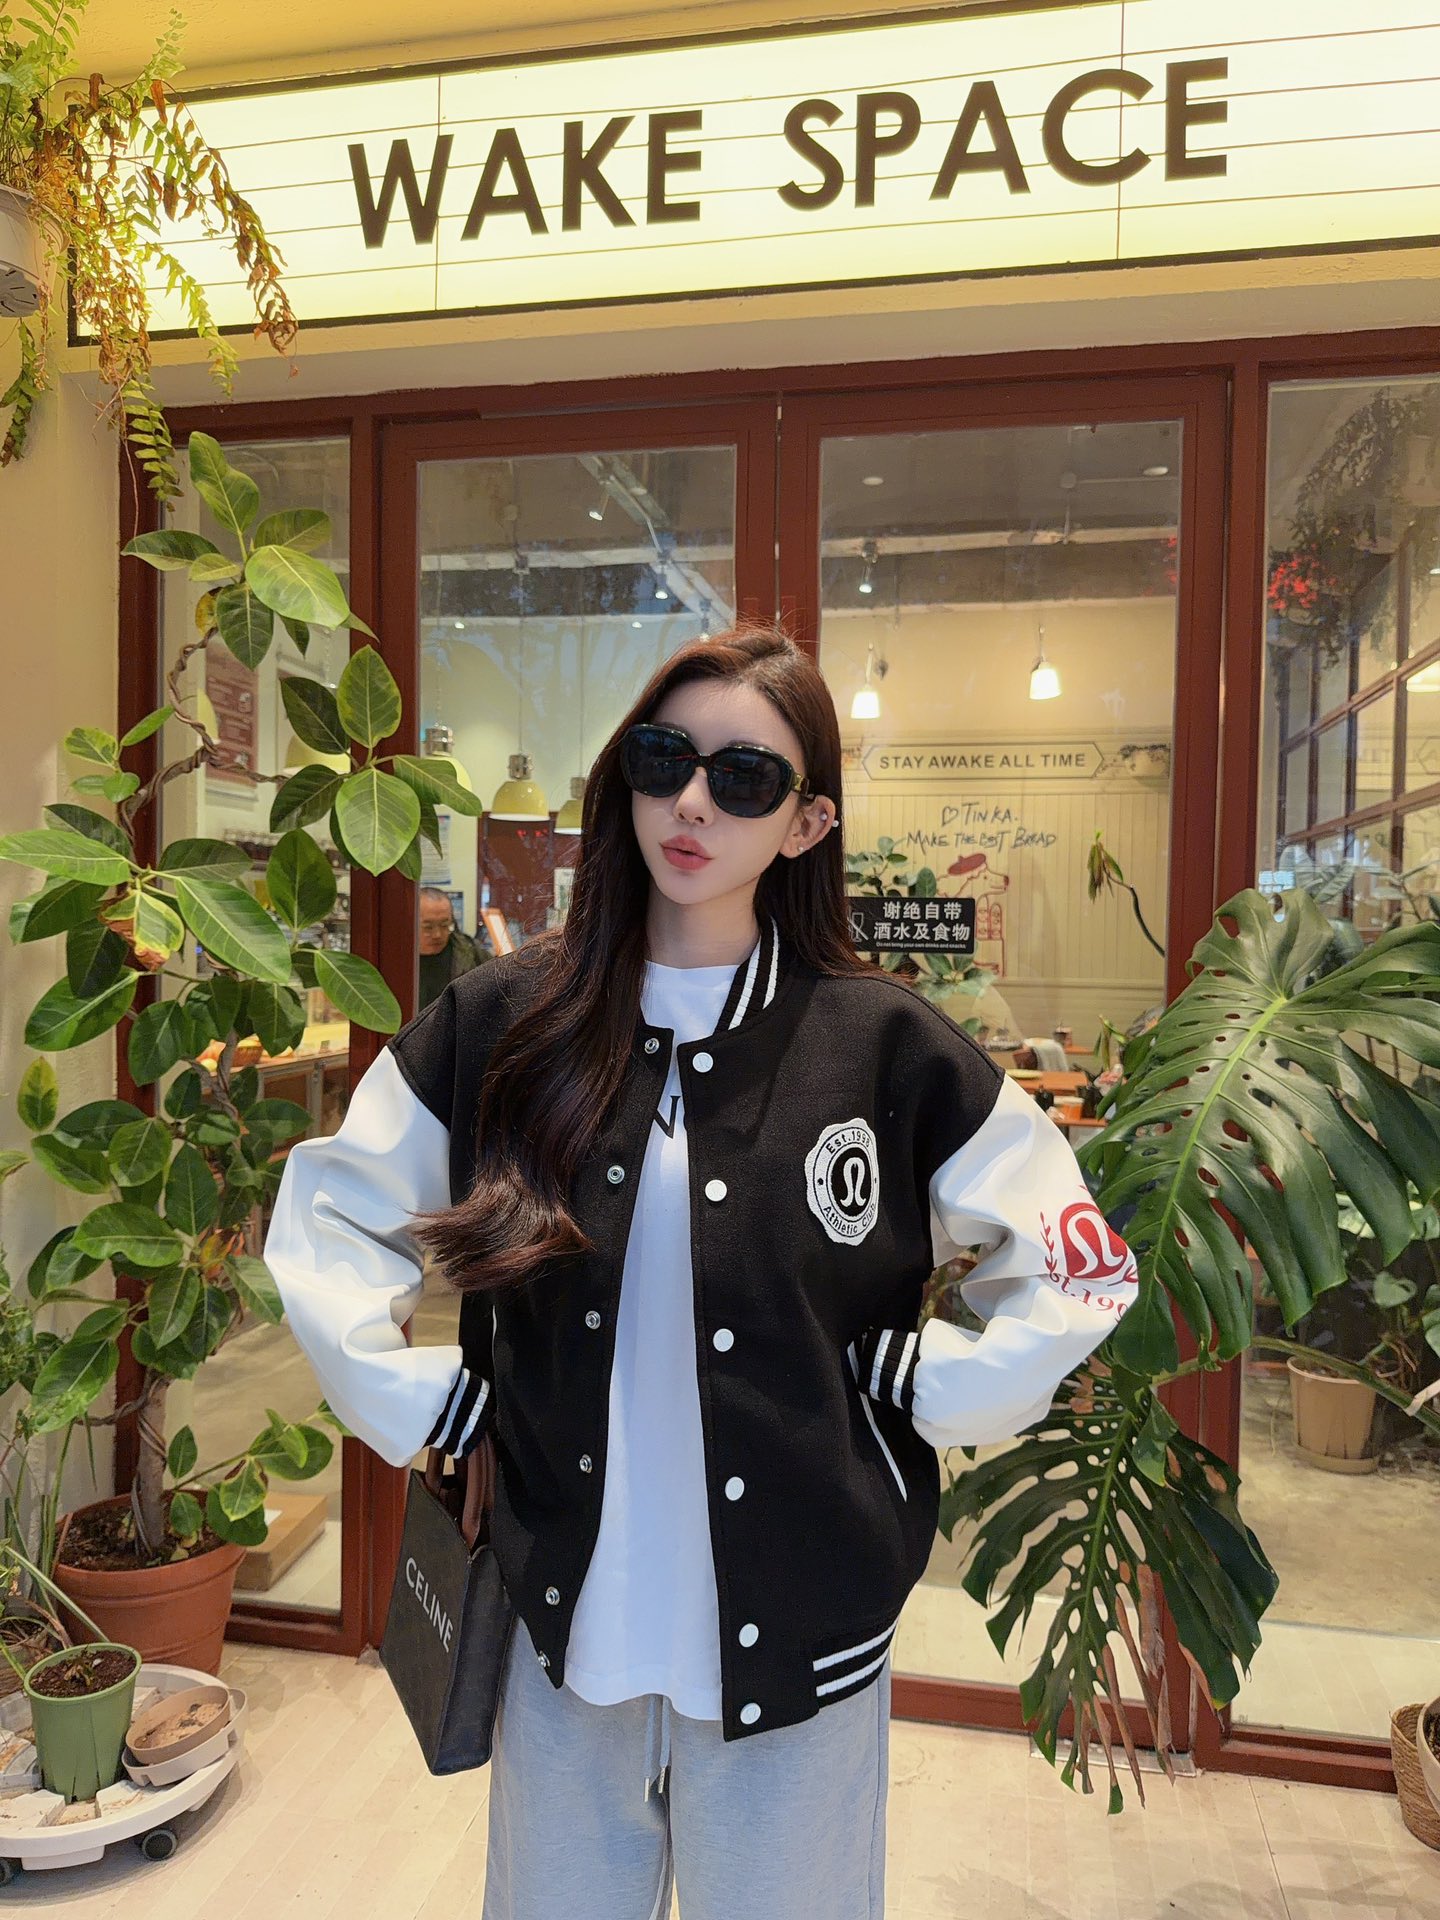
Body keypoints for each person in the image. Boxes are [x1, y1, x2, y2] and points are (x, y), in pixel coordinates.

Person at [261, 624, 1140, 1920]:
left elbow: (1080, 1264)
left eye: (745, 777)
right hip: (568, 1636)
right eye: (666, 758)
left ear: (807, 822)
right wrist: (426, 1402)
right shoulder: (511, 1020)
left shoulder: (880, 1047)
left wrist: (938, 1387)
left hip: (805, 1643)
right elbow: (326, 1215)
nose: (692, 802)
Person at [417, 885, 489, 1008]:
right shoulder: (394, 958)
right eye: (428, 927)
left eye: (444, 925)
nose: (437, 935)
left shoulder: (472, 954)